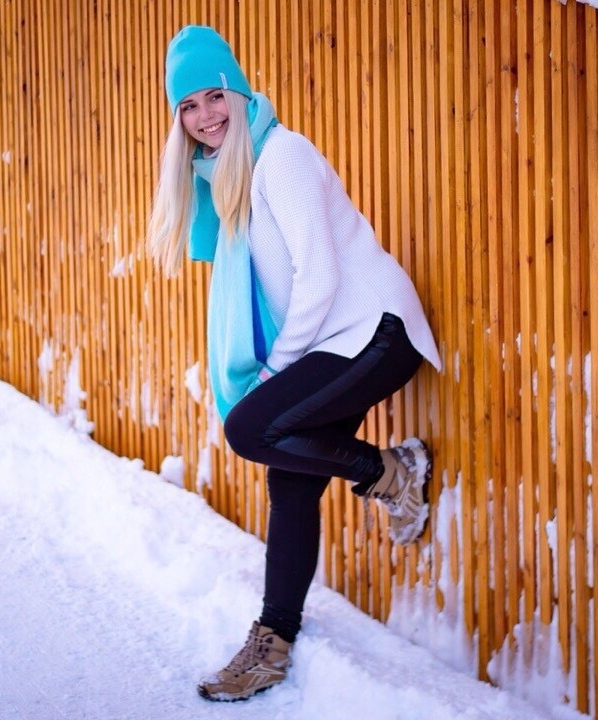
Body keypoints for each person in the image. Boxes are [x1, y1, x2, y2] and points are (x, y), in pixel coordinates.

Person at [146, 24, 442, 702]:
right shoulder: (227, 179)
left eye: (214, 95)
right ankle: (272, 642)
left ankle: (393, 473)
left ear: (238, 90)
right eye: (188, 105)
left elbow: (320, 276)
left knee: (251, 428)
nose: (205, 115)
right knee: (290, 477)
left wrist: (275, 371)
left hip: (376, 329)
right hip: (332, 339)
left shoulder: (282, 156)